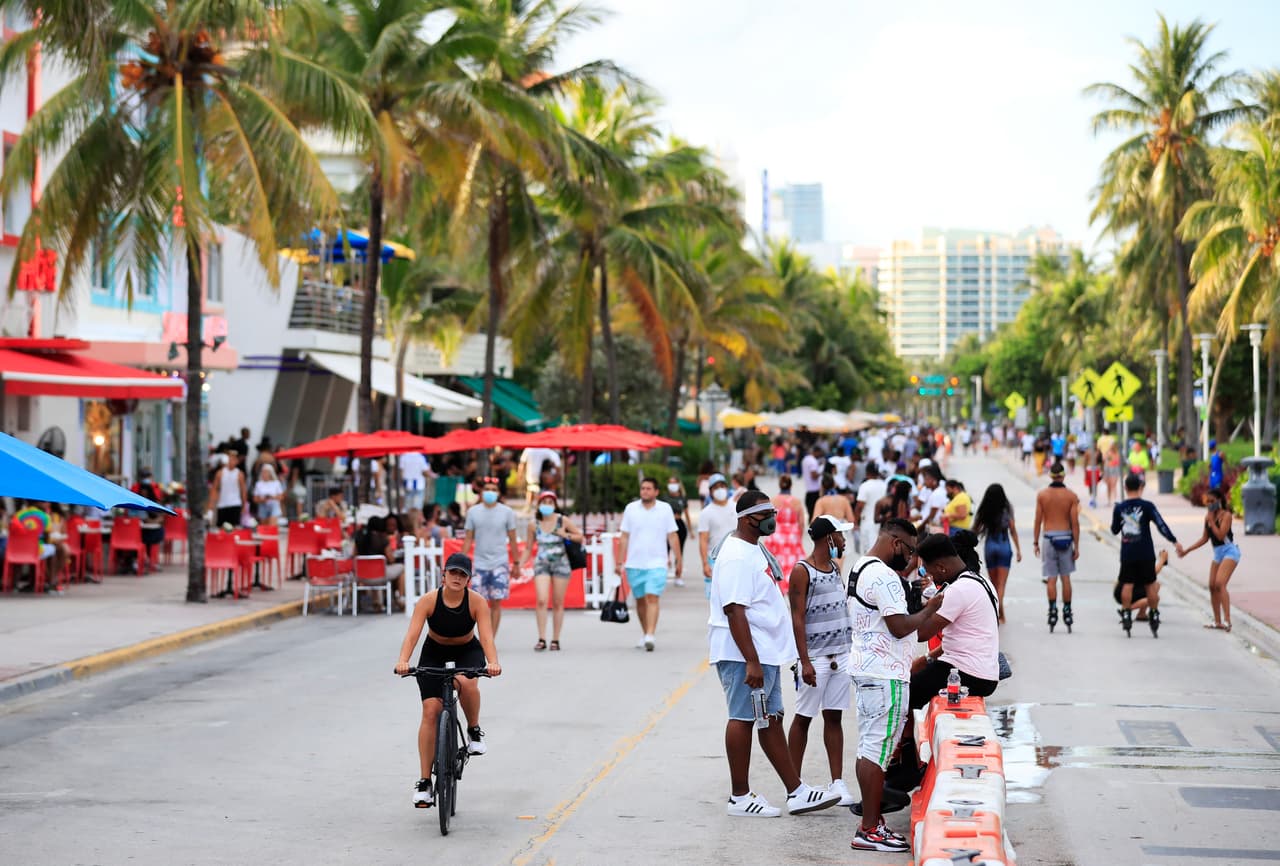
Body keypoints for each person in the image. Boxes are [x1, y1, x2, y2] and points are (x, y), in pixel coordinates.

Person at [708, 490, 841, 819]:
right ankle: (739, 796)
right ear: (746, 518)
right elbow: (734, 610)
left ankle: (796, 791)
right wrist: (751, 660)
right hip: (745, 655)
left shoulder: (753, 549)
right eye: (766, 513)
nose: (773, 518)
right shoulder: (737, 555)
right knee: (743, 717)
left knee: (771, 719)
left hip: (762, 652)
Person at [848, 518, 940, 852]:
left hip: (867, 669)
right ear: (896, 543)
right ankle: (869, 828)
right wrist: (931, 608)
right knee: (878, 749)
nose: (913, 559)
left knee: (868, 747)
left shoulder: (861, 567)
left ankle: (872, 822)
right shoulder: (884, 575)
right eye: (911, 551)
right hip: (885, 673)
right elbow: (900, 627)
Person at [394, 553, 502, 808]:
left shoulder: (476, 602)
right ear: (443, 575)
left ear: (469, 580)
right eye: (453, 572)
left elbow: (486, 637)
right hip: (435, 651)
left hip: (467, 650)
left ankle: (474, 731)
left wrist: (493, 662)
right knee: (430, 710)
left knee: (467, 682)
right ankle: (424, 782)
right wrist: (403, 660)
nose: (457, 577)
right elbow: (412, 635)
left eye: (462, 574)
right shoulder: (429, 601)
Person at [786, 516, 856, 808]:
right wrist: (805, 661)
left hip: (840, 655)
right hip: (816, 658)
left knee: (834, 717)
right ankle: (794, 784)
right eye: (840, 536)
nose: (843, 541)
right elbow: (797, 617)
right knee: (803, 718)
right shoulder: (802, 571)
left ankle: (837, 781)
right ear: (828, 538)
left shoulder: (835, 568)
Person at [1111, 473, 1177, 637]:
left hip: (1128, 553)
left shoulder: (1119, 508)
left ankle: (1126, 613)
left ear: (1125, 488)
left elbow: (1114, 530)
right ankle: (1153, 614)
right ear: (1140, 488)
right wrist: (1174, 540)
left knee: (1127, 583)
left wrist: (1122, 520)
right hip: (1146, 552)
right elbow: (1160, 524)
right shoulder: (1148, 506)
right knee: (1150, 584)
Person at [619, 478, 681, 651]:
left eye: (648, 488)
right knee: (640, 601)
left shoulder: (665, 509)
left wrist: (678, 560)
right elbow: (624, 536)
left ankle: (650, 635)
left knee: (652, 597)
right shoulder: (631, 509)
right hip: (635, 562)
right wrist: (619, 561)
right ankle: (645, 631)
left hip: (657, 562)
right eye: (643, 488)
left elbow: (673, 536)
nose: (645, 491)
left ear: (656, 492)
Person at [521, 492, 584, 651]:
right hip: (542, 564)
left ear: (555, 505)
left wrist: (566, 534)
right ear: (539, 504)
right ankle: (542, 638)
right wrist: (518, 564)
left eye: (550, 502)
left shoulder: (562, 520)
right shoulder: (533, 524)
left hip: (561, 563)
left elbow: (579, 536)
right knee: (542, 600)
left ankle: (555, 639)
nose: (547, 505)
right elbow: (528, 547)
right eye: (544, 502)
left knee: (558, 602)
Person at [1176, 488, 1239, 631]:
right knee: (1211, 586)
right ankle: (1217, 622)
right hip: (1217, 553)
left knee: (1219, 583)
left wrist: (1211, 521)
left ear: (1219, 500)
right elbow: (1205, 538)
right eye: (1207, 501)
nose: (1210, 504)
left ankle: (1227, 620)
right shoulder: (1207, 517)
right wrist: (1187, 550)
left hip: (1229, 551)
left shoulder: (1226, 515)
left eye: (1212, 501)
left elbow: (1221, 536)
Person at [463, 477, 518, 637]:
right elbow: (468, 539)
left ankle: (490, 639)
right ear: (481, 492)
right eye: (487, 489)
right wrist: (460, 563)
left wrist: (516, 563)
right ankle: (478, 636)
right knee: (477, 603)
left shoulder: (507, 512)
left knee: (496, 602)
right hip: (480, 563)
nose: (490, 492)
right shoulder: (473, 512)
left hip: (500, 562)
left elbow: (513, 539)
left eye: (494, 490)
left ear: (499, 493)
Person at [1033, 463, 1079, 633]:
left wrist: (1035, 542)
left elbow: (1038, 520)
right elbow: (1075, 523)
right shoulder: (1071, 496)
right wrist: (1077, 545)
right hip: (1066, 538)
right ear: (1064, 475)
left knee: (1051, 578)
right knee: (1065, 578)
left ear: (1051, 476)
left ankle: (1052, 610)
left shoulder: (1042, 495)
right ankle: (1067, 609)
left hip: (1049, 538)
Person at [972, 484, 1022, 623]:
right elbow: (1012, 529)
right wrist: (1018, 550)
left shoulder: (986, 509)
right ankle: (999, 614)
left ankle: (1000, 614)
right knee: (1001, 585)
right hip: (1004, 545)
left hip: (990, 545)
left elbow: (975, 529)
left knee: (993, 585)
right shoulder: (1007, 508)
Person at [698, 473, 738, 597]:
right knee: (717, 601)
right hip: (715, 560)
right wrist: (705, 563)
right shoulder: (706, 513)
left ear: (727, 488)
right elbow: (703, 540)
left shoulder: (737, 508)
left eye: (722, 486)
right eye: (715, 487)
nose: (719, 490)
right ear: (710, 491)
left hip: (736, 559)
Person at [770, 475, 806, 582]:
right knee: (792, 564)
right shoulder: (796, 502)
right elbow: (802, 522)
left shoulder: (773, 500)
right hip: (792, 536)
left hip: (777, 535)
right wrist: (799, 537)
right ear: (791, 485)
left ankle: (780, 585)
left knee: (777, 563)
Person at [660, 476, 692, 588]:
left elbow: (687, 514)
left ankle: (678, 576)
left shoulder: (682, 498)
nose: (672, 485)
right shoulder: (664, 498)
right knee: (665, 551)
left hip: (679, 525)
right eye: (670, 482)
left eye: (674, 482)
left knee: (679, 551)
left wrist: (691, 530)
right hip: (667, 526)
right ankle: (662, 574)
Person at [854, 463, 888, 554]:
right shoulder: (884, 485)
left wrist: (856, 523)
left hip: (867, 522)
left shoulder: (865, 486)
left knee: (868, 550)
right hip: (881, 521)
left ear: (867, 472)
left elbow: (859, 506)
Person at [211, 451, 248, 529]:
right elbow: (215, 489)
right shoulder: (220, 473)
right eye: (230, 459)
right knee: (222, 527)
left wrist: (244, 505)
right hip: (222, 504)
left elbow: (243, 490)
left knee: (234, 528)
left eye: (234, 459)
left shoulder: (239, 474)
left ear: (237, 461)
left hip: (235, 503)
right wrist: (212, 504)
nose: (232, 461)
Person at [915, 464, 947, 534]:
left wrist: (920, 528)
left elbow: (932, 516)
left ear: (934, 481)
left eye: (926, 480)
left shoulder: (937, 494)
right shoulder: (936, 492)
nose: (924, 482)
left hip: (934, 527)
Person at [801, 446, 825, 516]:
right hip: (815, 492)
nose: (820, 455)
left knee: (810, 514)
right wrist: (821, 473)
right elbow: (813, 476)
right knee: (815, 515)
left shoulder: (805, 459)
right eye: (819, 453)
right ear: (816, 452)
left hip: (808, 491)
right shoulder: (813, 461)